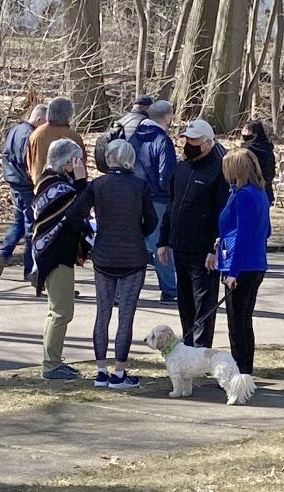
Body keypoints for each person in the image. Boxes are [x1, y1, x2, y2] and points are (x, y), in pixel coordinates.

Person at [67, 140, 156, 388]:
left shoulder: (98, 185)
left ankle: (100, 370)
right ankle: (119, 372)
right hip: (132, 256)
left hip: (104, 255)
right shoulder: (140, 185)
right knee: (125, 317)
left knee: (102, 314)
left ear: (108, 159)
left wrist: (92, 234)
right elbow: (151, 221)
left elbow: (74, 214)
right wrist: (136, 232)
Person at [156, 119, 230, 348]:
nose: (189, 143)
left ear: (207, 143)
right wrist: (163, 240)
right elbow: (171, 206)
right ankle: (187, 347)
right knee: (185, 300)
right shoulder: (180, 169)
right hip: (180, 246)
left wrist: (213, 249)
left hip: (204, 250)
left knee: (203, 302)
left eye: (194, 140)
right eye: (187, 139)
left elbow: (222, 213)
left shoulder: (218, 171)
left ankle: (201, 350)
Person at [32, 138, 89, 380]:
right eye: (77, 160)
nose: (81, 164)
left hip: (56, 252)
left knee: (57, 311)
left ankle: (52, 360)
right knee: (61, 312)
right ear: (67, 162)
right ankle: (51, 365)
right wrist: (81, 181)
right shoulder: (57, 187)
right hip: (55, 254)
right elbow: (80, 210)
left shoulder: (55, 182)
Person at [217, 149, 271, 375]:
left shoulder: (242, 196)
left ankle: (240, 369)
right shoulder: (260, 193)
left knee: (237, 321)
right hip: (256, 262)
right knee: (244, 319)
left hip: (241, 265)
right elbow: (266, 231)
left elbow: (242, 234)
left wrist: (233, 271)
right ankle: (245, 368)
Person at [129, 100, 179, 304]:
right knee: (161, 245)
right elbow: (166, 175)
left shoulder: (133, 138)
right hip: (157, 199)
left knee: (134, 243)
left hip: (133, 197)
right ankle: (169, 290)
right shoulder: (162, 141)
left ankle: (122, 291)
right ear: (167, 117)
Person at [0, 104, 48, 279]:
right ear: (39, 120)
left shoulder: (16, 129)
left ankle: (3, 253)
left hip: (14, 181)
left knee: (19, 221)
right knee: (32, 225)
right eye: (45, 123)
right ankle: (30, 270)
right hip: (25, 183)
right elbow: (28, 161)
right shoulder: (29, 135)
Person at [27, 97, 87, 186]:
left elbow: (29, 163)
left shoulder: (36, 134)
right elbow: (81, 165)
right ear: (69, 114)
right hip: (69, 189)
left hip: (41, 186)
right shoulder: (74, 136)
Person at [240, 120, 276, 204]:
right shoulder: (268, 148)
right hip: (265, 189)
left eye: (249, 130)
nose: (245, 134)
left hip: (249, 189)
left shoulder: (246, 150)